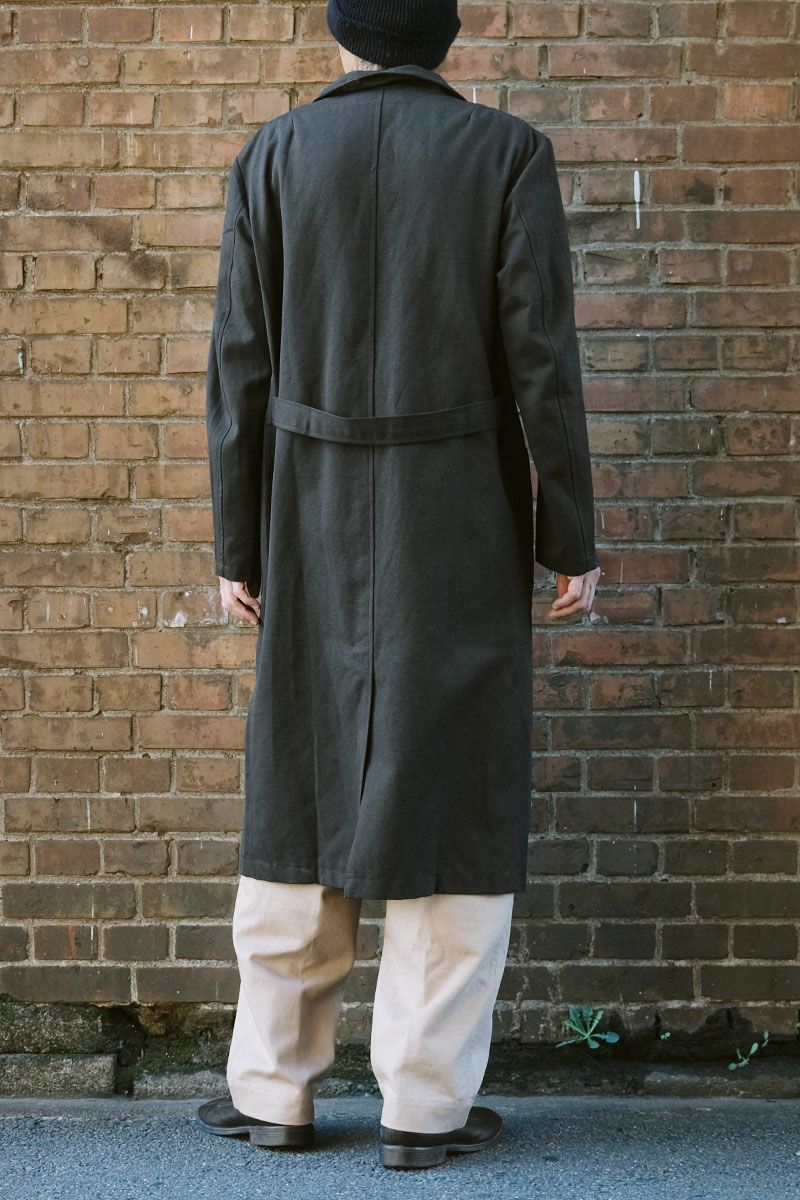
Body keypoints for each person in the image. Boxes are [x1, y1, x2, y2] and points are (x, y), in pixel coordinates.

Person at [197, 0, 601, 1171]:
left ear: (340, 35)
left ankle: (275, 1092)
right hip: (455, 513)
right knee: (452, 785)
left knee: (299, 779)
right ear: (444, 38)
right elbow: (542, 360)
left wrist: (237, 547)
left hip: (307, 513)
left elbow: (238, 364)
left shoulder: (274, 154)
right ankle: (422, 1110)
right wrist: (566, 536)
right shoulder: (504, 153)